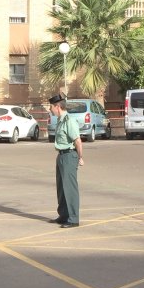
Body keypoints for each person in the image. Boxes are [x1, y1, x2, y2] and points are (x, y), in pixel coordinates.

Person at [48, 94, 84, 228]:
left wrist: (80, 158)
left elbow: (77, 141)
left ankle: (73, 218)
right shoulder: (61, 120)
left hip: (69, 155)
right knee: (62, 187)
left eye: (51, 107)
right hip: (61, 155)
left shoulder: (69, 120)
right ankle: (63, 215)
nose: (50, 109)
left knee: (70, 188)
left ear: (58, 107)